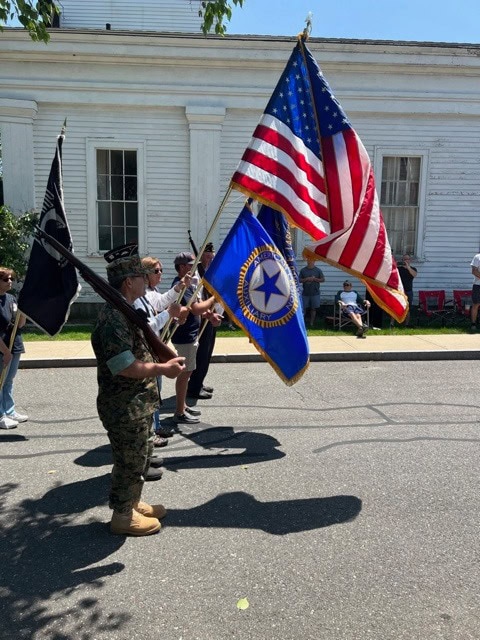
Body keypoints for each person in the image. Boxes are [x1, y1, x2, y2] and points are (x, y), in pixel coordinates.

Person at [90, 244, 185, 536]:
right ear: (129, 282)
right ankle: (122, 516)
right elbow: (125, 366)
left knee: (142, 456)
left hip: (138, 402)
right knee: (129, 461)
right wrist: (163, 369)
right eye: (142, 277)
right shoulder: (114, 319)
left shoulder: (127, 310)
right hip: (123, 405)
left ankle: (133, 503)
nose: (147, 280)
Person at [133, 255, 189, 446]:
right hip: (147, 350)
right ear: (145, 275)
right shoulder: (139, 298)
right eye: (156, 271)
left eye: (161, 270)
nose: (160, 274)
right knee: (151, 394)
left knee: (155, 393)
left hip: (154, 348)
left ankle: (155, 428)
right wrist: (169, 313)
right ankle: (150, 433)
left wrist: (179, 288)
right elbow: (147, 325)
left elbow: (161, 302)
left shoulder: (149, 293)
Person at [171, 252, 221, 425]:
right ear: (183, 267)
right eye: (191, 265)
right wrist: (215, 297)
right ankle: (179, 412)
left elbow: (199, 309)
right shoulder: (181, 286)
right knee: (185, 373)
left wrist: (211, 316)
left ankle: (183, 406)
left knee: (189, 371)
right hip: (185, 335)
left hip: (191, 333)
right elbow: (196, 308)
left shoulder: (190, 285)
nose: (194, 267)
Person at [187, 242, 221, 400]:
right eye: (207, 257)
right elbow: (197, 298)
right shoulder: (196, 273)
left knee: (208, 353)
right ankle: (194, 387)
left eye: (212, 257)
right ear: (201, 257)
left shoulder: (212, 271)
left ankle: (199, 382)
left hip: (212, 315)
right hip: (201, 317)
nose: (210, 259)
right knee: (201, 353)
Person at [0, 267, 28, 430]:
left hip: (14, 344)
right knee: (0, 381)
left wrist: (23, 311)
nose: (10, 282)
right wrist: (5, 351)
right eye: (5, 279)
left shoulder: (11, 298)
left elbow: (20, 324)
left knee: (8, 380)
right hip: (3, 347)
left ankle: (9, 410)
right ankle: (0, 415)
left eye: (11, 279)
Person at [299, 258, 325, 327]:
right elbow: (299, 280)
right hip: (305, 293)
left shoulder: (318, 270)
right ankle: (302, 323)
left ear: (314, 261)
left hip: (315, 293)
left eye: (311, 260)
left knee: (313, 308)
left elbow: (323, 279)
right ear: (307, 261)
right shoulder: (303, 270)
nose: (310, 262)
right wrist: (306, 279)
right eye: (308, 260)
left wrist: (315, 279)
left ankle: (311, 323)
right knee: (303, 308)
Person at [394, 254, 418, 327]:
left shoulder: (413, 269)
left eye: (407, 259)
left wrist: (408, 267)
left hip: (408, 291)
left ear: (410, 260)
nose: (405, 261)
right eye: (404, 259)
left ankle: (406, 324)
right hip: (399, 291)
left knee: (408, 308)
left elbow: (414, 275)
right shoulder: (399, 269)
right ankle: (392, 323)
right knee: (395, 306)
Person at [470, 252, 480, 332]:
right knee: (476, 304)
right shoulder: (477, 257)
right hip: (478, 285)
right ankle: (473, 324)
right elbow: (474, 271)